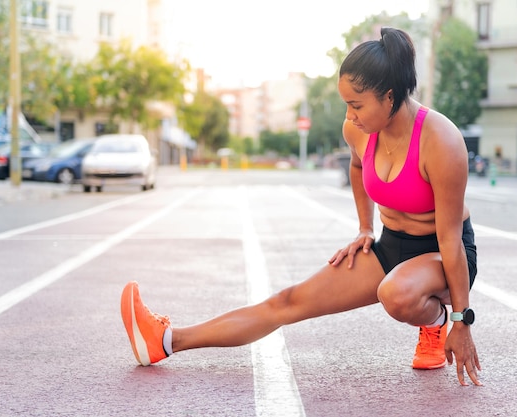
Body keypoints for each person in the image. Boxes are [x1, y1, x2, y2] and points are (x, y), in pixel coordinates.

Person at [120, 26, 482, 386]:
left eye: (357, 105)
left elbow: (450, 241)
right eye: (346, 104)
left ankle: (432, 323)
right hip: (392, 247)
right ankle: (167, 341)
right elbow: (358, 166)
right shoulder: (358, 130)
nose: (350, 115)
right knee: (288, 301)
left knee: (396, 293)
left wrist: (460, 320)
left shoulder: (441, 141)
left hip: (443, 253)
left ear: (389, 97)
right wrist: (365, 228)